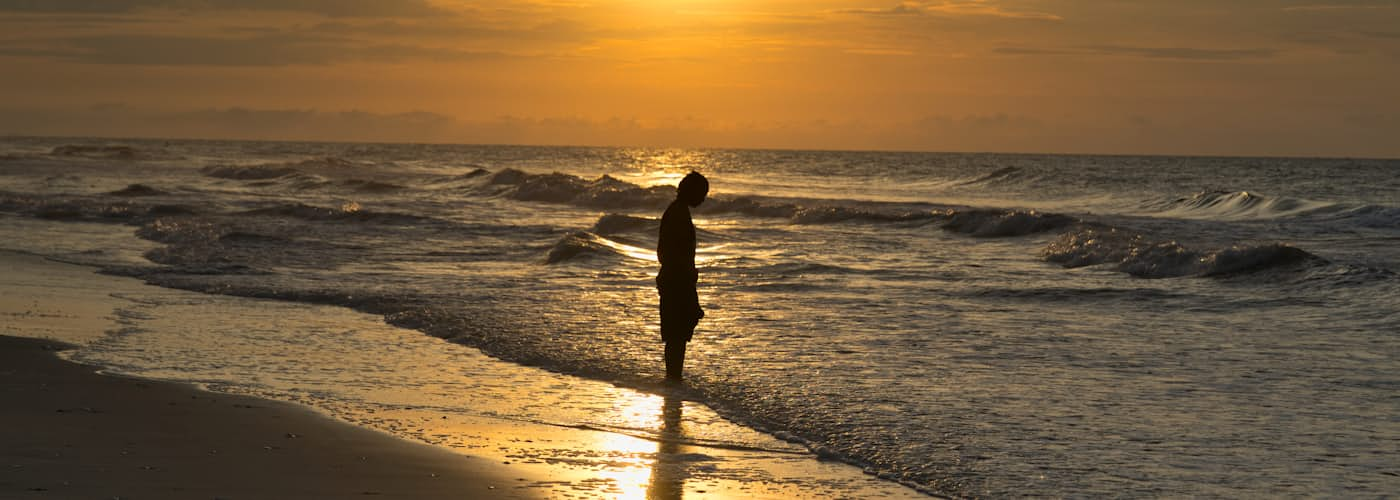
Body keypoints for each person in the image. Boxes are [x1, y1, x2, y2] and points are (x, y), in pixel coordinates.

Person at [656, 171, 708, 381]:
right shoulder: (678, 213)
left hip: (675, 278)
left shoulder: (677, 211)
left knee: (677, 333)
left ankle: (674, 377)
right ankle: (673, 378)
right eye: (702, 194)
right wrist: (685, 279)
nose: (703, 199)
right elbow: (669, 252)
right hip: (677, 280)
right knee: (677, 334)